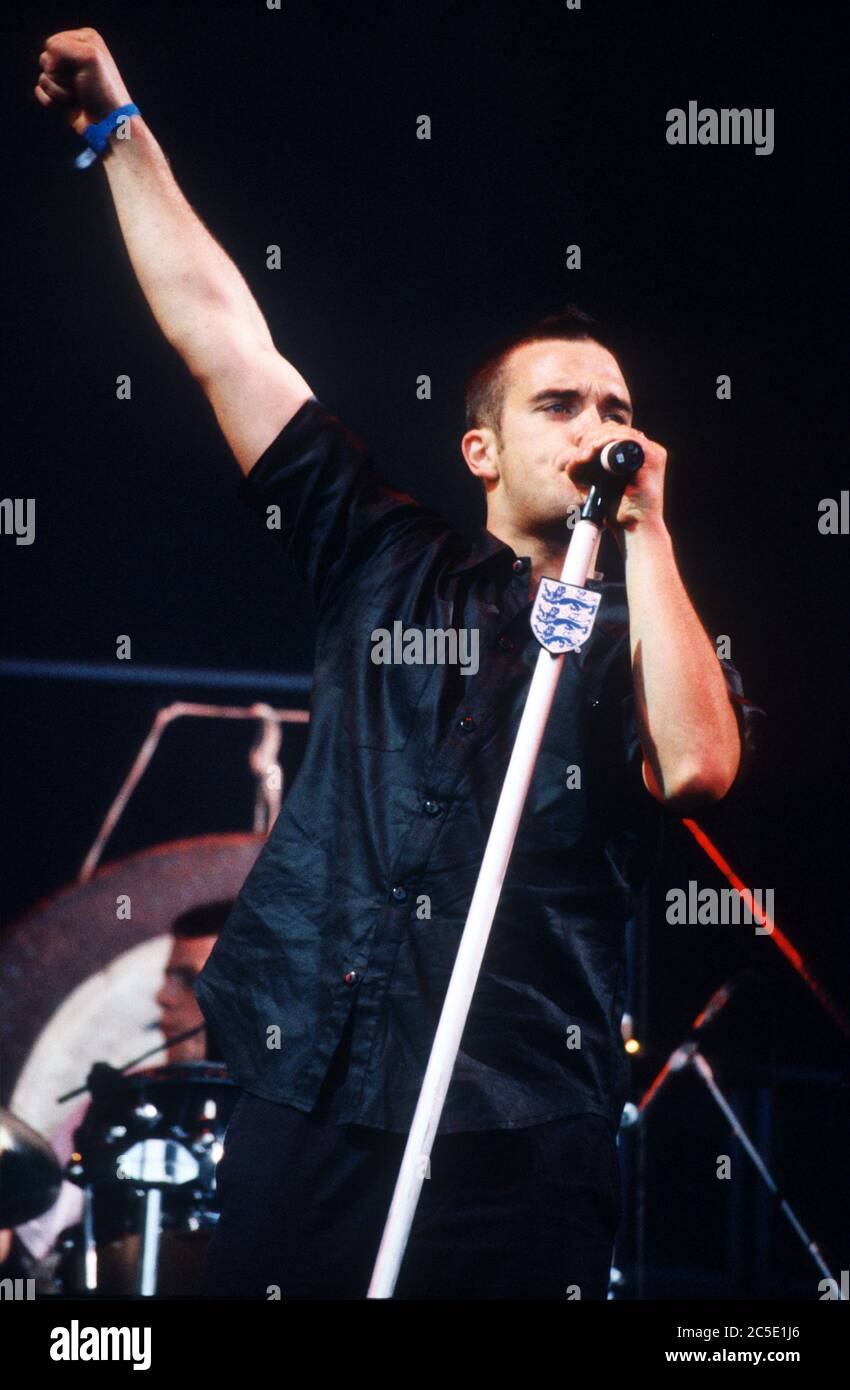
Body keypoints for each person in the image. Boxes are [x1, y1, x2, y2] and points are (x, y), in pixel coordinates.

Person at [35, 30, 758, 1300]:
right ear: (480, 451)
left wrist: (649, 534)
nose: (603, 428)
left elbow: (699, 768)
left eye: (619, 410)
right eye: (562, 406)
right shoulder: (384, 555)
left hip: (517, 1127)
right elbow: (227, 340)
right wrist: (118, 132)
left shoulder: (648, 625)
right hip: (310, 1080)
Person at [3, 900, 231, 1285]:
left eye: (189, 981)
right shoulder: (116, 1101)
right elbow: (32, 1253)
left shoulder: (300, 1115)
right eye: (167, 978)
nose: (164, 997)